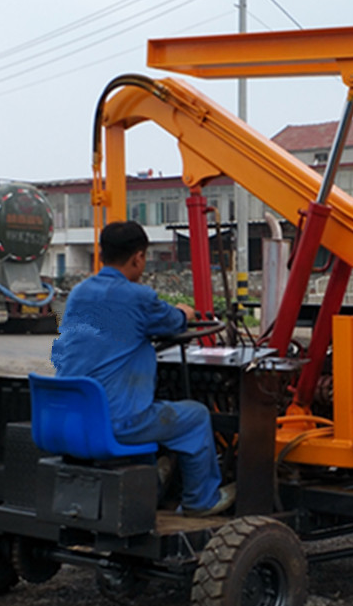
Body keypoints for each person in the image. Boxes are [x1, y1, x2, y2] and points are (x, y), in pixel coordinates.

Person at [51, 220, 234, 516]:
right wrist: (185, 312)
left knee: (150, 412)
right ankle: (201, 502)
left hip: (71, 418)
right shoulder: (139, 297)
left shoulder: (79, 294)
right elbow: (174, 321)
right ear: (139, 257)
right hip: (117, 422)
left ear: (101, 255)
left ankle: (157, 484)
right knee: (197, 416)